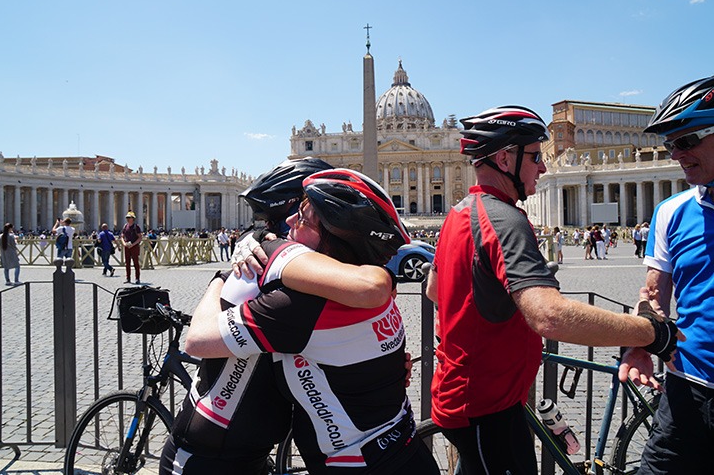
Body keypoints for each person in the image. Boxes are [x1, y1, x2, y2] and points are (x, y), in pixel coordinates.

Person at [425, 105, 680, 475]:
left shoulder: (460, 212)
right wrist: (652, 331)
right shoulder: (505, 219)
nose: (543, 168)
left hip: (472, 396)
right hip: (485, 403)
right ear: (504, 158)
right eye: (535, 157)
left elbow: (435, 289)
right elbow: (550, 315)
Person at [183, 169, 438, 474]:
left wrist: (224, 276)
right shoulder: (376, 284)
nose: (289, 221)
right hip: (407, 452)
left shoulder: (300, 306)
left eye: (302, 217)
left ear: (334, 233)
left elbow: (196, 340)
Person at [620, 75, 714, 473]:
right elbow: (653, 296)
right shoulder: (671, 212)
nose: (676, 153)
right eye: (670, 144)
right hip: (686, 389)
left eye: (687, 140)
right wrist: (641, 343)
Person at [120, 211, 142, 284]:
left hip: (134, 247)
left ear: (133, 218)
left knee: (136, 263)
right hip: (127, 247)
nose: (128, 219)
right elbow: (122, 236)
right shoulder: (125, 226)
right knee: (127, 263)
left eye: (130, 217)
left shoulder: (136, 227)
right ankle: (128, 278)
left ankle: (137, 278)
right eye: (127, 217)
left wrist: (133, 244)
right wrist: (124, 243)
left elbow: (140, 237)